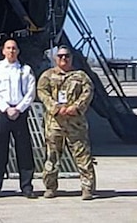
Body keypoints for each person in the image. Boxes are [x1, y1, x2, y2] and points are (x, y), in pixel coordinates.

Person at [36, 46, 95, 200]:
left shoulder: (80, 76)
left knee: (82, 155)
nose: (64, 59)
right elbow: (42, 92)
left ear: (71, 58)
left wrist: (76, 107)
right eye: (60, 56)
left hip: (75, 122)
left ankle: (87, 187)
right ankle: (50, 187)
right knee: (52, 156)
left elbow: (88, 92)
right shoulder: (47, 75)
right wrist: (55, 107)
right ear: (56, 58)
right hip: (55, 122)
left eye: (67, 56)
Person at [0, 38, 37, 198]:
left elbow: (31, 92)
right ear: (3, 51)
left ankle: (27, 186)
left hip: (20, 113)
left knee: (24, 150)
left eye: (14, 48)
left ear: (18, 51)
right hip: (3, 112)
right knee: (0, 150)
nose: (11, 51)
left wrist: (19, 109)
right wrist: (6, 108)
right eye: (8, 48)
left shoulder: (26, 70)